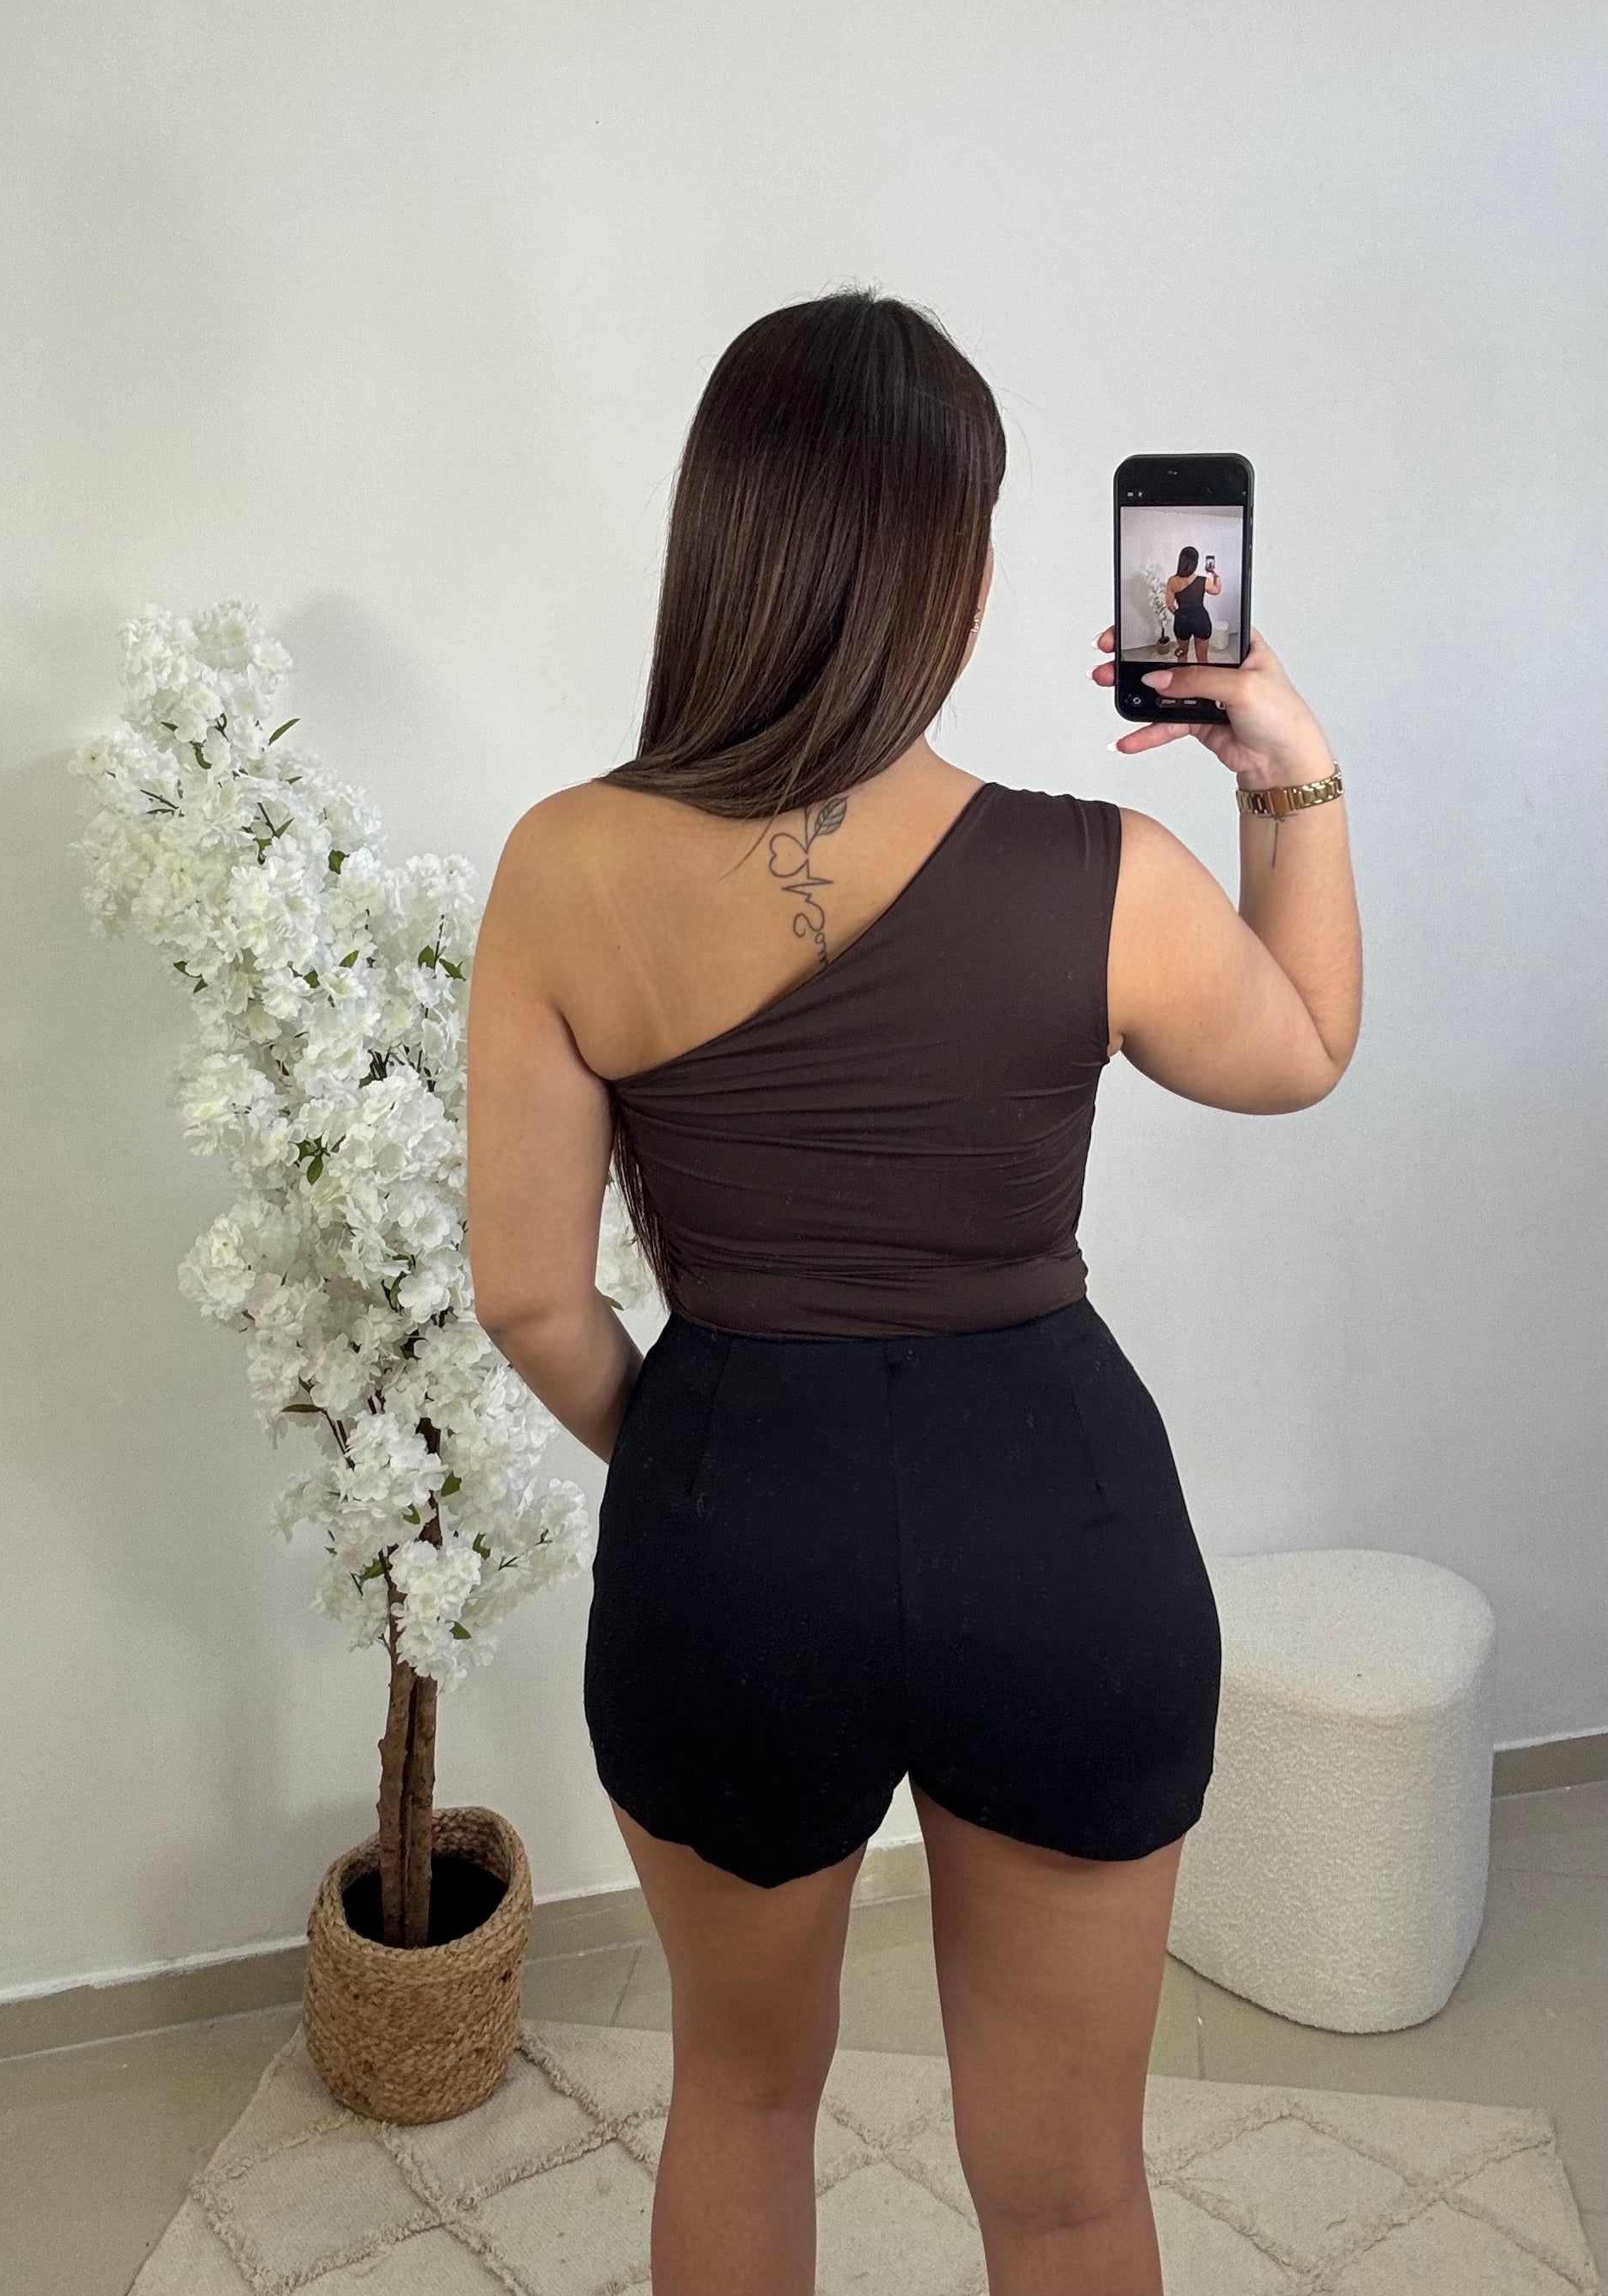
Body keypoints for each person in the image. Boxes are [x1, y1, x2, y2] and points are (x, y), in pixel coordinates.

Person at [465, 289, 1361, 2296]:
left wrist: (707, 1458)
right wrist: (1282, 768)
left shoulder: (562, 864)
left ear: (725, 539)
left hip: (729, 1551)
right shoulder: (1100, 873)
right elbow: (1304, 1041)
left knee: (737, 2103)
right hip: (1059, 1535)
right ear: (946, 566)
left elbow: (527, 1299)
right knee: (1067, 2192)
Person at [1163, 544, 1220, 664]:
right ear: (1195, 563)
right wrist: (1216, 575)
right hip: (1201, 620)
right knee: (1202, 658)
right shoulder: (1204, 581)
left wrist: (1179, 614)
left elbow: (1169, 605)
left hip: (1182, 621)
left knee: (1182, 655)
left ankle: (1183, 674)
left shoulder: (1172, 581)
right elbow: (1216, 590)